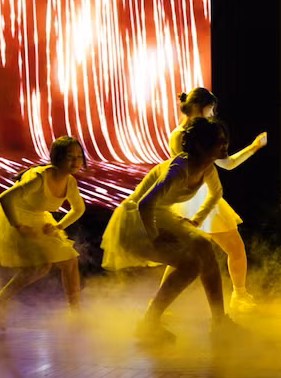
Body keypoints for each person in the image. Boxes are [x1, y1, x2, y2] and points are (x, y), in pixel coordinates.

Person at [101, 117, 237, 344]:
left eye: (224, 140)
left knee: (204, 245)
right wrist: (155, 237)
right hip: (136, 219)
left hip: (160, 214)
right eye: (218, 141)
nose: (225, 145)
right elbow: (145, 204)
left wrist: (197, 220)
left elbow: (216, 193)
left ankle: (219, 322)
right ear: (201, 145)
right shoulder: (179, 168)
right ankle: (149, 323)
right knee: (191, 265)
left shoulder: (207, 167)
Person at [170, 88, 266, 312]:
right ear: (200, 107)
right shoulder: (180, 135)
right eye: (211, 109)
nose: (213, 114)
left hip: (205, 196)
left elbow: (227, 163)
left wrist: (254, 147)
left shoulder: (203, 134)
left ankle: (239, 295)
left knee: (234, 248)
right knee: (185, 256)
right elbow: (187, 169)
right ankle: (163, 305)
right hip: (192, 198)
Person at [0, 137, 87, 331]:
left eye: (79, 156)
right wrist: (18, 226)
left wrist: (59, 226)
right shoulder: (40, 178)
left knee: (70, 260)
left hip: (39, 219)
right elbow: (5, 198)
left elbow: (78, 209)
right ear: (57, 158)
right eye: (70, 157)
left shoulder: (69, 181)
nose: (76, 162)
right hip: (16, 217)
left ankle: (75, 313)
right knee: (40, 266)